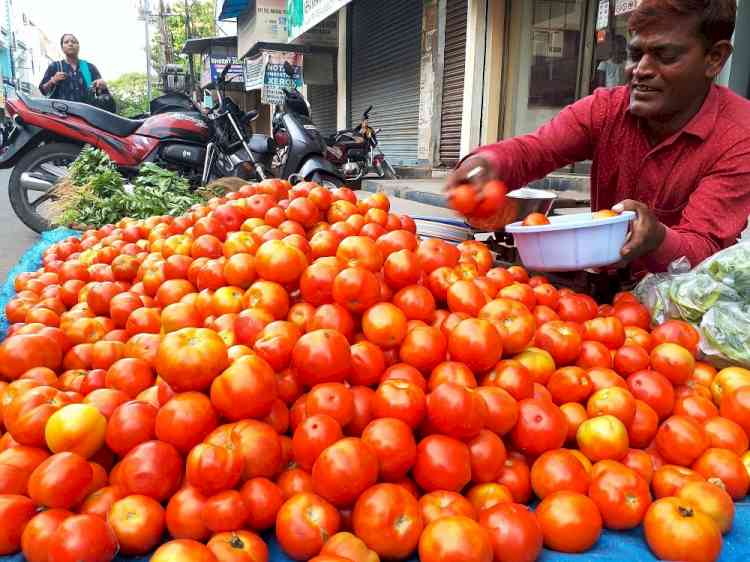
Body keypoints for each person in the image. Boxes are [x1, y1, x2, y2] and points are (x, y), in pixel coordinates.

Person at [450, 0, 750, 276]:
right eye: (634, 55)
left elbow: (705, 250)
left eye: (665, 56)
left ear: (714, 58)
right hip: (601, 302)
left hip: (680, 311)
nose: (640, 70)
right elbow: (536, 149)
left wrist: (656, 237)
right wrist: (486, 164)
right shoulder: (606, 109)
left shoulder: (739, 137)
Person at [39, 34, 107, 103]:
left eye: (73, 42)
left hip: (86, 112)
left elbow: (103, 95)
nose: (70, 44)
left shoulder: (90, 68)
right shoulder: (55, 66)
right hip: (60, 112)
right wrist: (53, 81)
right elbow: (42, 91)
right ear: (62, 48)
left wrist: (102, 87)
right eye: (66, 42)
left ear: (78, 46)